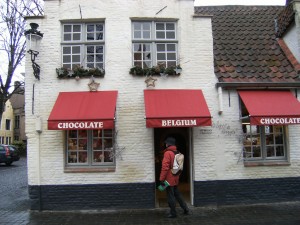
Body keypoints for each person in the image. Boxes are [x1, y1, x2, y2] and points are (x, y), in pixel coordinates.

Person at [159, 137, 190, 218]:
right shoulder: (178, 152)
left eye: (166, 143)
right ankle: (185, 208)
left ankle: (173, 213)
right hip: (176, 177)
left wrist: (161, 179)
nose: (165, 144)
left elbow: (165, 167)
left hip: (169, 178)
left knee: (170, 195)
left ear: (168, 144)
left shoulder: (167, 153)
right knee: (177, 194)